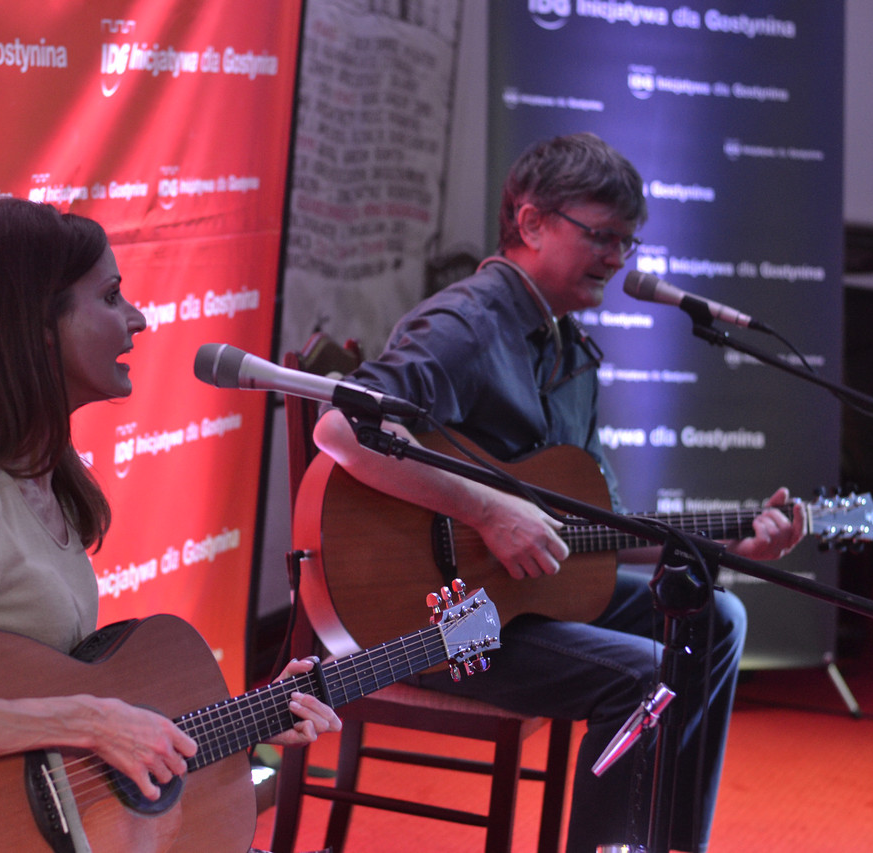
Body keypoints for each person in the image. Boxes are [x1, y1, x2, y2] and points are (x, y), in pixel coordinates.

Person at [313, 132, 803, 853]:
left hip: (515, 604)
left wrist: (723, 542)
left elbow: (595, 533)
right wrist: (487, 510)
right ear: (533, 222)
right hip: (433, 619)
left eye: (627, 242)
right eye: (601, 235)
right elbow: (341, 427)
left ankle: (666, 843)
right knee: (643, 675)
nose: (616, 257)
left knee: (716, 614)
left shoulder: (571, 352)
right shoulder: (465, 325)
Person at [0, 198, 340, 836]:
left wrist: (252, 717)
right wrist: (92, 720)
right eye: (110, 297)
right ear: (37, 325)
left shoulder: (40, 481)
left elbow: (54, 745)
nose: (137, 319)